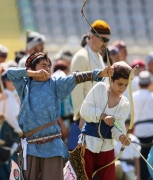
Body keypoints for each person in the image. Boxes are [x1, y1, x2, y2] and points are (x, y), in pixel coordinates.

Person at [7, 52, 113, 179]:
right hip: (30, 146)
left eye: (49, 66)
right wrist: (33, 74)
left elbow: (76, 78)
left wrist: (99, 73)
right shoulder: (24, 86)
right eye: (43, 65)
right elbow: (10, 72)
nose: (47, 68)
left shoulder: (56, 84)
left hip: (53, 145)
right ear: (32, 68)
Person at [79, 61, 132, 179]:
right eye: (119, 84)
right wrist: (103, 116)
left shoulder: (124, 103)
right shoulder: (100, 88)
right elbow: (85, 110)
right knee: (83, 177)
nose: (122, 88)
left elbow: (118, 126)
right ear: (111, 80)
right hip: (88, 143)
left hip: (107, 147)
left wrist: (122, 137)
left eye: (126, 85)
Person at [69, 20, 111, 150]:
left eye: (108, 40)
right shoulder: (81, 57)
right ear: (92, 37)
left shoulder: (98, 57)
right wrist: (81, 116)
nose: (106, 43)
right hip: (86, 119)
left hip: (99, 117)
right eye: (103, 39)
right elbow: (76, 89)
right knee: (84, 166)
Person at [133, 71, 153, 180]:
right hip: (152, 131)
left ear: (138, 84)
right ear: (150, 83)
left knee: (142, 160)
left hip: (138, 132)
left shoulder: (133, 96)